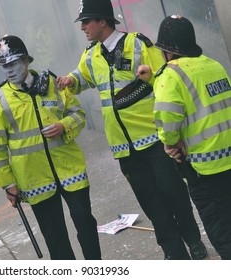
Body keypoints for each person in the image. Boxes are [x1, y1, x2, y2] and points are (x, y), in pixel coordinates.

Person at [57, 0, 206, 260]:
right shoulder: (91, 55)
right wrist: (70, 80)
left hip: (155, 139)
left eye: (87, 21)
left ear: (102, 21)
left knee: (174, 193)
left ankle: (193, 240)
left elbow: (166, 77)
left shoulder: (138, 44)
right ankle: (174, 252)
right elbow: (82, 78)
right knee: (152, 204)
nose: (82, 27)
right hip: (124, 148)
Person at [0, 35, 101, 260]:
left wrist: (63, 125)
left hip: (70, 170)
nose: (9, 70)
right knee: (55, 239)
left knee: (86, 225)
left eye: (14, 63)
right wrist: (8, 184)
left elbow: (78, 114)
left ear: (27, 61)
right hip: (34, 178)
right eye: (5, 66)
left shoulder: (53, 84)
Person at [137, 15, 231, 260]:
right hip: (228, 158)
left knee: (222, 231)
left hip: (203, 167)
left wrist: (170, 144)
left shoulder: (170, 74)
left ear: (167, 50)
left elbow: (167, 121)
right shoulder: (214, 64)